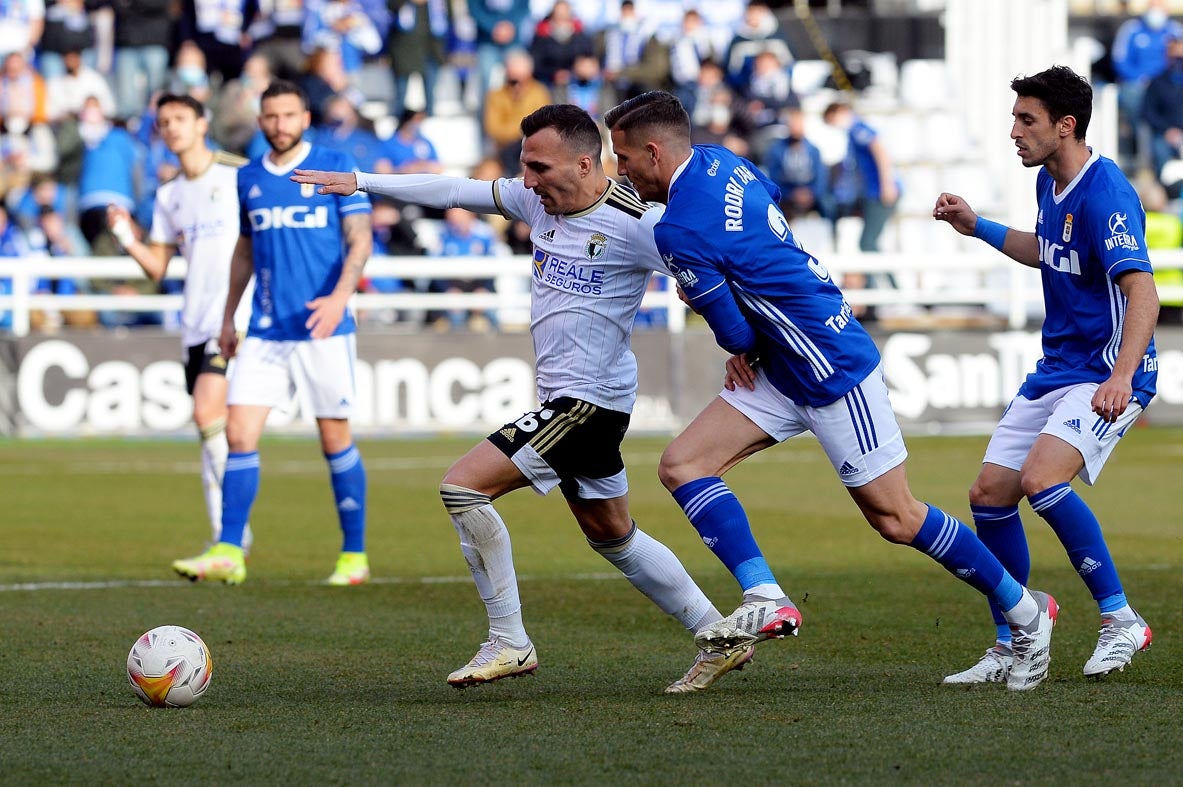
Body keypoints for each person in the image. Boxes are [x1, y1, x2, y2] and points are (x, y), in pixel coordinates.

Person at [604, 90, 1058, 692]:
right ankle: (766, 596)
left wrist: (728, 324)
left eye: (625, 158)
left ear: (655, 153)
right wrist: (750, 330)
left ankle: (1028, 614)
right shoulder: (724, 162)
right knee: (684, 464)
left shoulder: (681, 229)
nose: (622, 172)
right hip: (781, 363)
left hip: (829, 365)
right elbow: (763, 227)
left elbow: (733, 330)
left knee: (896, 517)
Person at [292, 103, 752, 694]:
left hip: (588, 404)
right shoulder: (537, 201)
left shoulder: (641, 224)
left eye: (538, 166)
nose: (527, 180)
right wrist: (362, 181)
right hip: (576, 400)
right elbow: (454, 190)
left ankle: (509, 640)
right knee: (613, 535)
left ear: (586, 164)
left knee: (463, 486)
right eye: (523, 167)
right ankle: (719, 633)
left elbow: (717, 271)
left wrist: (744, 344)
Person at [933, 65, 1157, 684]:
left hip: (1105, 372)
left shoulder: (1104, 191)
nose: (1014, 131)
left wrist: (1122, 375)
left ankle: (1120, 618)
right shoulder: (1049, 183)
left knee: (1040, 478)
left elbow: (1144, 291)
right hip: (1057, 367)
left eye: (1026, 120)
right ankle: (1014, 637)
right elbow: (1047, 249)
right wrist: (976, 226)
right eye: (1014, 118)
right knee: (987, 496)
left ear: (1067, 125)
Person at [171, 80, 374, 587]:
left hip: (323, 327)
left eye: (288, 115)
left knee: (334, 438)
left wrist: (340, 297)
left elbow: (360, 238)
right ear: (260, 120)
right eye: (271, 116)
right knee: (237, 433)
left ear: (305, 117)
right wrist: (226, 317)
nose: (279, 124)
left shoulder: (333, 166)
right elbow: (244, 250)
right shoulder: (250, 177)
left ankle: (354, 555)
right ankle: (228, 549)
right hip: (264, 328)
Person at [105, 93, 254, 553]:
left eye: (180, 119)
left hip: (235, 318)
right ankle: (224, 535)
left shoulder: (237, 174)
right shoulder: (169, 195)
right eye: (164, 121)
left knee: (207, 413)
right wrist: (126, 235)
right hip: (193, 322)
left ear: (201, 123)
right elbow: (157, 267)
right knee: (212, 429)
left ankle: (232, 535)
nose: (171, 128)